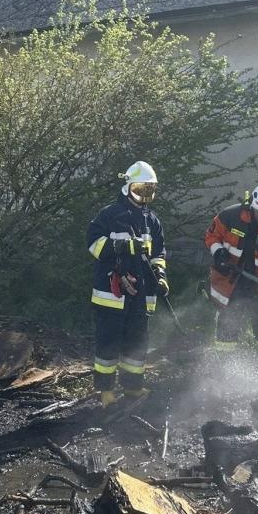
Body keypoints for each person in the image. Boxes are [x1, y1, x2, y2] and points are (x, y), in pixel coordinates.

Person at [86, 160, 168, 406]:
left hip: (141, 294)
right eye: (141, 189)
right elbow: (93, 244)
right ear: (128, 187)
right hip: (112, 293)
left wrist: (161, 275)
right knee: (108, 343)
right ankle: (105, 391)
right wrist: (124, 246)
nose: (145, 196)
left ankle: (133, 387)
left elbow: (159, 253)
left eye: (149, 191)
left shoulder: (152, 220)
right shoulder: (110, 215)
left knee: (137, 342)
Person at [204, 182, 258, 354]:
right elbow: (212, 235)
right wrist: (219, 252)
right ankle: (224, 363)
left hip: (257, 283)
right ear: (251, 204)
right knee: (228, 319)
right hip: (230, 279)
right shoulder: (230, 216)